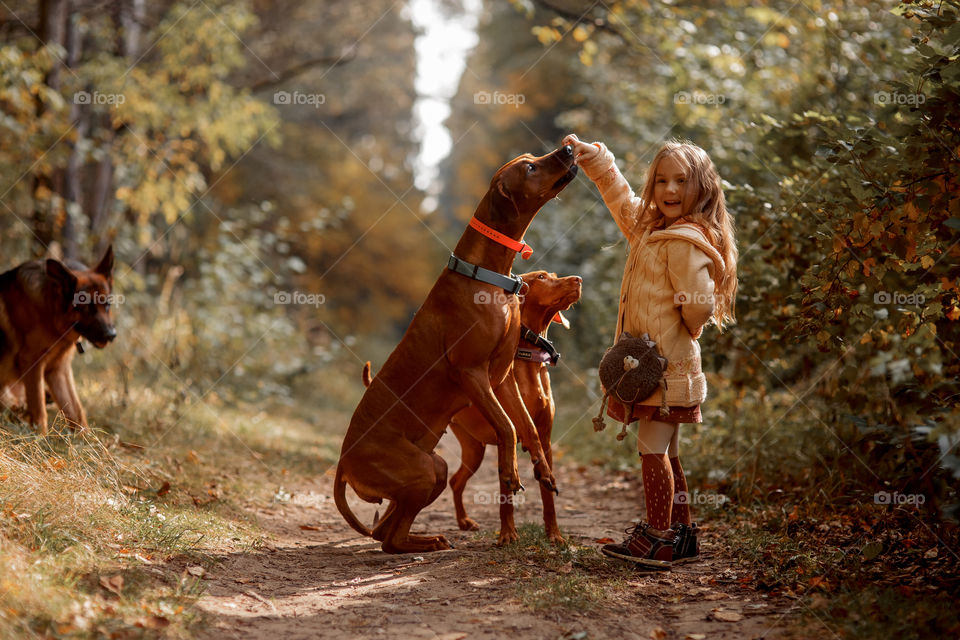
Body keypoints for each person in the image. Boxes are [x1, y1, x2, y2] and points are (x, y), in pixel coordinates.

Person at [563, 134, 738, 569]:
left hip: (666, 368)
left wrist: (688, 329)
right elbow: (622, 198)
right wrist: (599, 159)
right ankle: (682, 536)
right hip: (655, 366)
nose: (670, 191)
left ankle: (659, 537)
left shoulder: (684, 240)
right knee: (669, 451)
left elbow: (698, 303)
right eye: (661, 181)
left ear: (702, 187)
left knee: (651, 451)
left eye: (681, 181)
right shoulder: (651, 229)